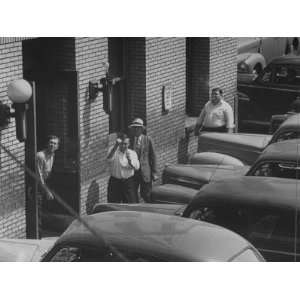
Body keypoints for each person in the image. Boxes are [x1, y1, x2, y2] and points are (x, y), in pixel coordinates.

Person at [128, 118, 158, 202]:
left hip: (145, 172)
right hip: (133, 173)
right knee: (132, 195)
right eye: (134, 128)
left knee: (146, 194)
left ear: (141, 129)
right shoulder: (129, 141)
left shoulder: (148, 140)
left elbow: (153, 156)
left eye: (138, 128)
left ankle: (150, 209)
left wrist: (154, 172)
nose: (136, 130)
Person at [36, 135, 60, 237]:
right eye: (50, 142)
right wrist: (47, 191)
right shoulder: (40, 156)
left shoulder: (53, 155)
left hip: (46, 183)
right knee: (38, 209)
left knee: (47, 208)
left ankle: (46, 232)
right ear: (47, 144)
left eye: (54, 143)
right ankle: (38, 234)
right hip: (37, 186)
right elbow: (39, 175)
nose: (52, 145)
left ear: (57, 146)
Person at [107, 132, 140, 203]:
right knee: (114, 204)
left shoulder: (132, 153)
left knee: (130, 204)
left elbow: (137, 167)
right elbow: (109, 159)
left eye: (125, 144)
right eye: (121, 144)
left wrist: (130, 161)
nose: (123, 146)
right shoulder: (113, 151)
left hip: (128, 183)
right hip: (115, 182)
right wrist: (115, 146)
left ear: (129, 144)